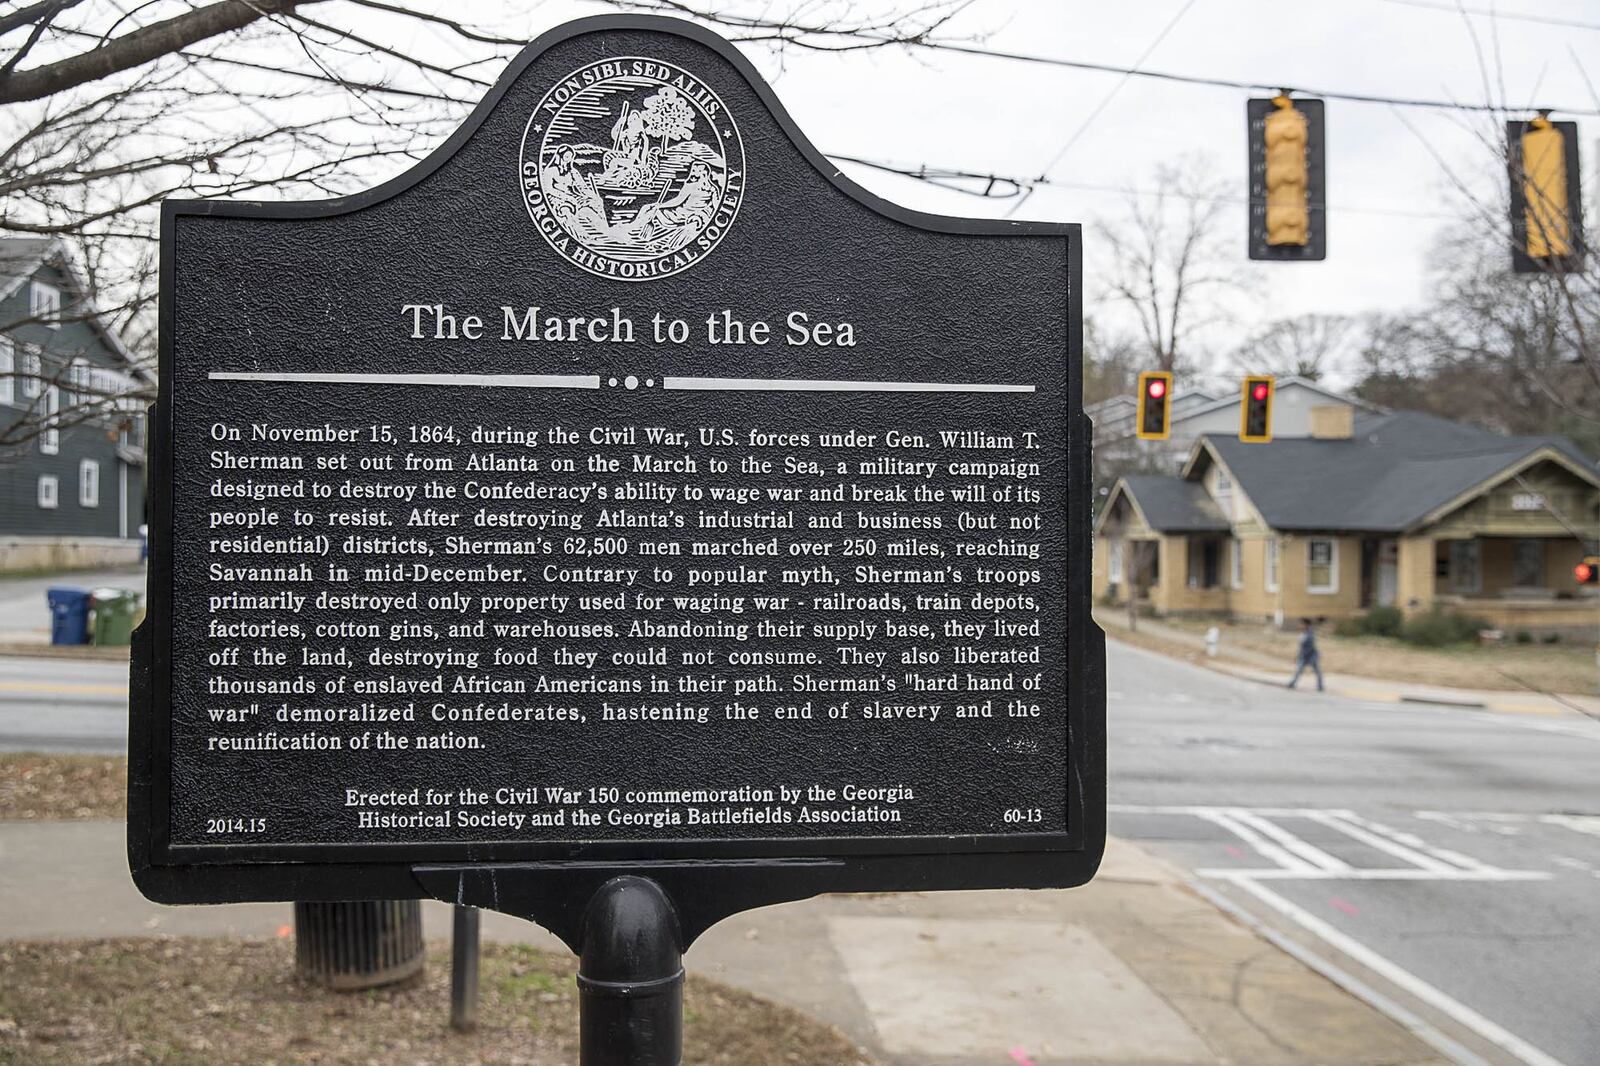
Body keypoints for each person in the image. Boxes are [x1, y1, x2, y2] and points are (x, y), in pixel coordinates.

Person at [1287, 617, 1324, 691]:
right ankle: (1292, 683)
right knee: (1298, 670)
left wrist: (1303, 655)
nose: (1300, 625)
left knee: (1317, 671)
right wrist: (1298, 655)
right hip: (1303, 655)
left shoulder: (1310, 633)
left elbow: (1309, 646)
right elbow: (1301, 646)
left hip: (1311, 655)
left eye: (1302, 624)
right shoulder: (1304, 633)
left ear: (1306, 624)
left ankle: (1320, 686)